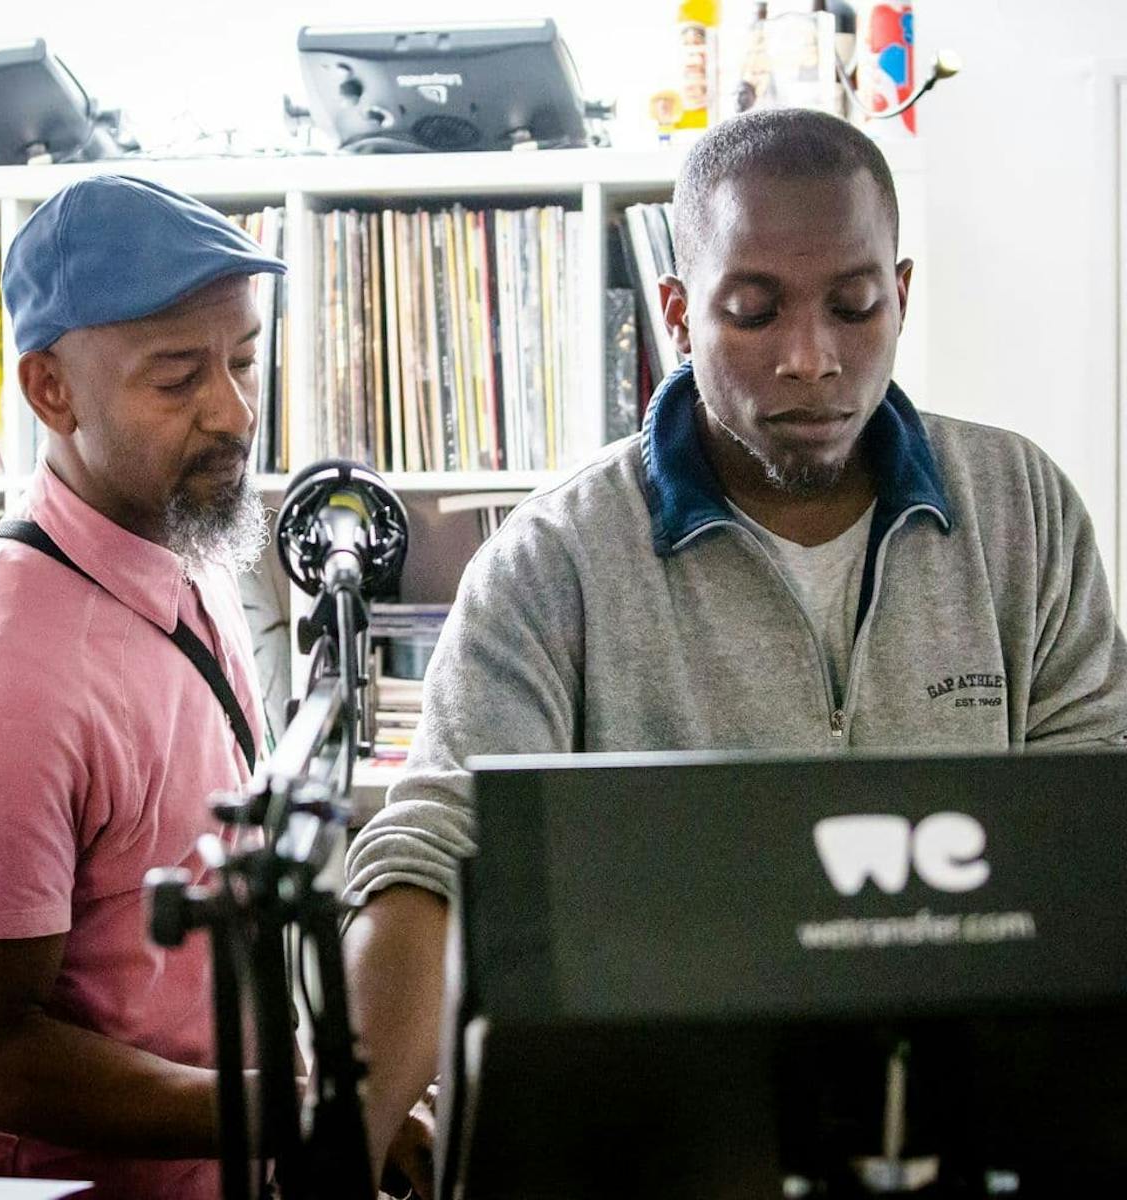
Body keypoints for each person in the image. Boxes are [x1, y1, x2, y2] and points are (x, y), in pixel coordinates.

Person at [341, 107, 1127, 1191]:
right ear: (677, 313)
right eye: (754, 313)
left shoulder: (1021, 510)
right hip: (668, 1159)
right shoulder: (552, 561)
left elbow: (1093, 831)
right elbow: (438, 852)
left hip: (970, 1144)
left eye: (854, 307)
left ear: (902, 295)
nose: (811, 359)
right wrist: (340, 1137)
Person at [0, 175, 285, 1197]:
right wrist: (289, 1114)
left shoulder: (175, 537)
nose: (234, 412)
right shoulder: (6, 676)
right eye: (178, 379)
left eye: (243, 360)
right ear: (52, 391)